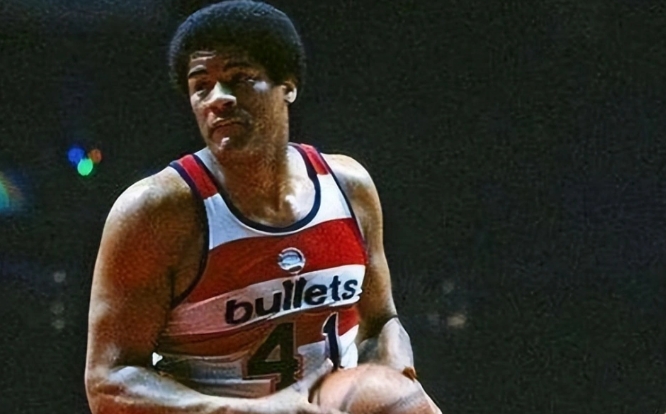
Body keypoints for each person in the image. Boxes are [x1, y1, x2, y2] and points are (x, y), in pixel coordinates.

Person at [85, 1, 433, 413]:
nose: (218, 98)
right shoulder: (156, 212)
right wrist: (251, 412)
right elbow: (109, 383)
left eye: (240, 79)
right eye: (201, 86)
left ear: (288, 85)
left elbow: (381, 320)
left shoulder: (348, 188)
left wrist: (394, 365)